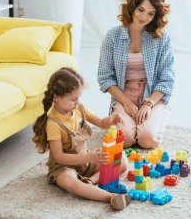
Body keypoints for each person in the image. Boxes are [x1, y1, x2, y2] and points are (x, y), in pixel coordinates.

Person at [32, 67, 131, 210]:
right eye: (73, 99)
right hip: (64, 167)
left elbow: (101, 123)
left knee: (121, 160)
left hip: (85, 162)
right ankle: (111, 197)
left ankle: (91, 180)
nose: (77, 102)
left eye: (78, 98)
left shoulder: (79, 109)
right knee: (69, 182)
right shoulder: (53, 123)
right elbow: (59, 157)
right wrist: (89, 158)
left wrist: (112, 119)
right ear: (56, 97)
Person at [98, 0, 175, 149]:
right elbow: (105, 77)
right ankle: (126, 121)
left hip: (153, 95)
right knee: (124, 140)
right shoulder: (113, 36)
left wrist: (148, 104)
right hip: (124, 93)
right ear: (132, 7)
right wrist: (125, 103)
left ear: (156, 16)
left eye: (150, 13)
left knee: (148, 140)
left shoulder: (162, 38)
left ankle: (158, 117)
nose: (144, 17)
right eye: (141, 10)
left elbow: (167, 78)